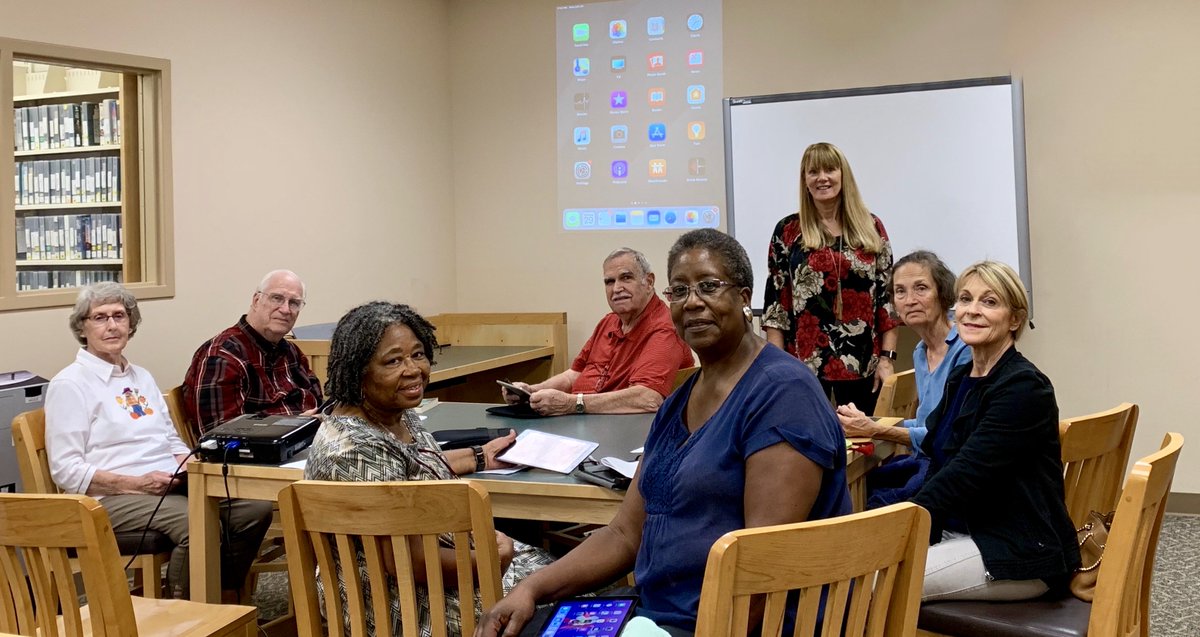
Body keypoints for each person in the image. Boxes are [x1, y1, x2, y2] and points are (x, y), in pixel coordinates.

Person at [477, 229, 850, 636]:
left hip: (729, 624)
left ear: (744, 297)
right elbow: (624, 533)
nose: (692, 302)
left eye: (709, 286)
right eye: (679, 290)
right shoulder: (678, 402)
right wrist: (530, 589)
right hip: (656, 615)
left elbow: (759, 566)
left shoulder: (782, 394)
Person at [304, 301, 553, 637]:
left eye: (418, 354)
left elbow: (408, 470)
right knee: (567, 601)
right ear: (358, 371)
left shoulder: (392, 412)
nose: (413, 370)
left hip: (443, 567)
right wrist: (493, 561)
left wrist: (479, 457)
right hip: (405, 604)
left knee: (567, 573)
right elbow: (408, 562)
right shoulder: (354, 450)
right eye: (393, 360)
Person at [45, 282, 273, 600]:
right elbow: (66, 470)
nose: (112, 325)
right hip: (108, 498)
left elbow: (168, 437)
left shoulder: (141, 377)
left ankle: (221, 602)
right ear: (82, 327)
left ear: (131, 323)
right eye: (100, 317)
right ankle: (183, 615)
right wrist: (137, 484)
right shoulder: (70, 385)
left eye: (120, 316)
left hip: (167, 486)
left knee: (254, 509)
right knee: (197, 523)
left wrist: (190, 464)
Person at [911, 261, 1080, 601]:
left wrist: (898, 523)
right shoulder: (960, 379)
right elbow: (937, 465)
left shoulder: (1024, 387)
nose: (972, 311)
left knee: (873, 581)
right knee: (853, 565)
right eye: (965, 299)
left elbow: (965, 474)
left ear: (1014, 319)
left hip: (1016, 549)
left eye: (989, 302)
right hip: (963, 531)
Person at [762, 142, 901, 414]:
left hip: (863, 364)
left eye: (829, 170)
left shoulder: (871, 227)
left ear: (842, 175)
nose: (822, 178)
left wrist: (887, 358)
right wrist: (776, 366)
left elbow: (887, 298)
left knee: (865, 447)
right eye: (813, 172)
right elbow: (777, 304)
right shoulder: (788, 230)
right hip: (802, 367)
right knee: (805, 447)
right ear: (805, 181)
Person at [501, 248, 693, 416]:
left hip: (621, 429)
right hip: (579, 419)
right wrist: (532, 392)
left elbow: (648, 398)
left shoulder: (666, 328)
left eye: (626, 278)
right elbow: (573, 375)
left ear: (649, 282)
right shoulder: (608, 322)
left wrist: (572, 404)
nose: (617, 288)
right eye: (609, 282)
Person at [835, 250, 972, 451]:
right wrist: (866, 421)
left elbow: (948, 434)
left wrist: (875, 429)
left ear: (943, 293)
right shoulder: (920, 352)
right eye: (900, 291)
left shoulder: (966, 349)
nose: (910, 300)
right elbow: (924, 424)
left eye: (921, 288)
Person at [181, 269, 323, 435]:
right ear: (256, 300)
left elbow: (319, 403)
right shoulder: (222, 356)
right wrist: (292, 427)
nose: (285, 309)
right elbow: (220, 436)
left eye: (294, 303)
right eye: (277, 298)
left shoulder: (291, 351)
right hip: (254, 458)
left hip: (308, 444)